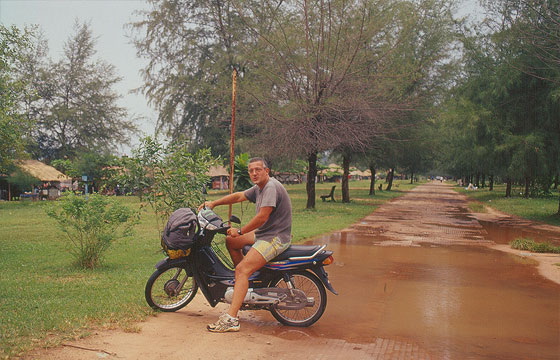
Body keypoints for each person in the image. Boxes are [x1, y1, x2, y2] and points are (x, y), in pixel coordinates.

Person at [198, 157, 292, 333]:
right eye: (251, 170)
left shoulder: (270, 187)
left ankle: (231, 319)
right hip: (266, 233)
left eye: (258, 169)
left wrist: (240, 231)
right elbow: (240, 195)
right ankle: (244, 285)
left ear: (266, 171)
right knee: (231, 241)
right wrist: (214, 203)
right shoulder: (260, 187)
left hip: (275, 237)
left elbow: (262, 217)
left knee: (242, 269)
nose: (254, 173)